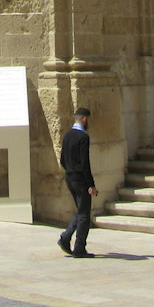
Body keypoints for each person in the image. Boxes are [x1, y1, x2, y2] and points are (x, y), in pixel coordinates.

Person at [56, 107, 97, 258]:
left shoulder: (67, 136)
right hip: (80, 180)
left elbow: (62, 160)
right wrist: (91, 184)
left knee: (81, 210)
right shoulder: (83, 137)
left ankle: (65, 238)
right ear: (84, 119)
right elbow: (85, 164)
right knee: (84, 214)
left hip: (70, 177)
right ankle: (79, 247)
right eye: (88, 120)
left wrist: (71, 171)